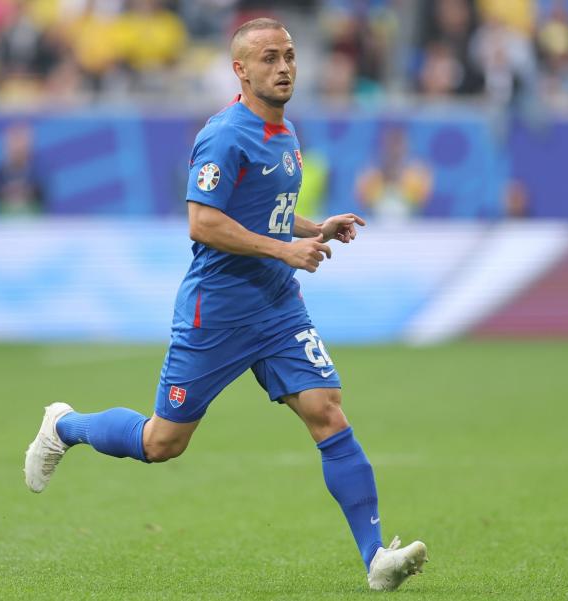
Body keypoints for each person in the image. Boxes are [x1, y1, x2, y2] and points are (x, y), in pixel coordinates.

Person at [23, 18, 428, 592]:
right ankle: (65, 426)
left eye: (289, 55)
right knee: (163, 442)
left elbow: (268, 215)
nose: (284, 66)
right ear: (240, 70)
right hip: (216, 311)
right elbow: (204, 221)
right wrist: (284, 249)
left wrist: (318, 226)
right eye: (269, 58)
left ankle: (375, 559)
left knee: (328, 411)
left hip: (277, 307)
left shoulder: (285, 133)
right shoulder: (223, 135)